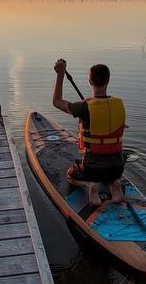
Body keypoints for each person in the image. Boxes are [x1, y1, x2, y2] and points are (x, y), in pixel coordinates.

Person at [52, 59, 126, 206]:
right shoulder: (119, 104)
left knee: (71, 174)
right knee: (109, 169)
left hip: (93, 171)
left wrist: (60, 74)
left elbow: (57, 101)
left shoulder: (84, 107)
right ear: (108, 80)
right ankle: (115, 185)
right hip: (117, 168)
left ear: (90, 81)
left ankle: (91, 186)